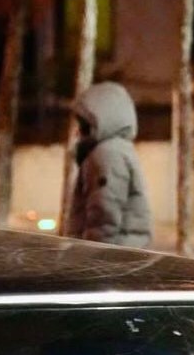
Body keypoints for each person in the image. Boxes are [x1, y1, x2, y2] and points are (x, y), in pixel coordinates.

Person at [64, 81, 152, 247]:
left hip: (111, 258)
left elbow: (104, 213)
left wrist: (91, 257)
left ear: (100, 119)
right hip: (123, 253)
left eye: (84, 122)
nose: (79, 130)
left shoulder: (106, 154)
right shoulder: (117, 150)